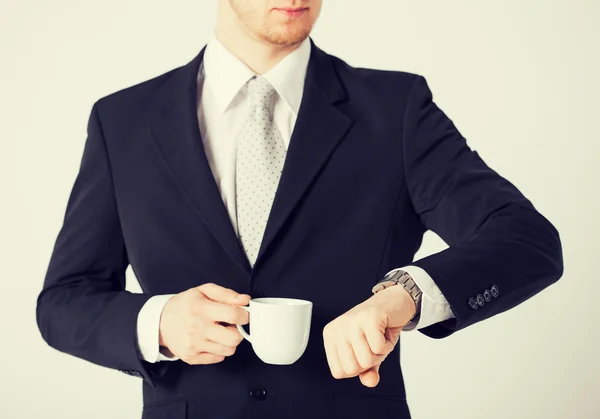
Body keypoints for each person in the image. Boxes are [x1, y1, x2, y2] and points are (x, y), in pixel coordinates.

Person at [35, 1, 564, 418]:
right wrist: (158, 322)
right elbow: (63, 301)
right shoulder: (123, 121)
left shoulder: (395, 108)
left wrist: (403, 296)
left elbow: (526, 240)